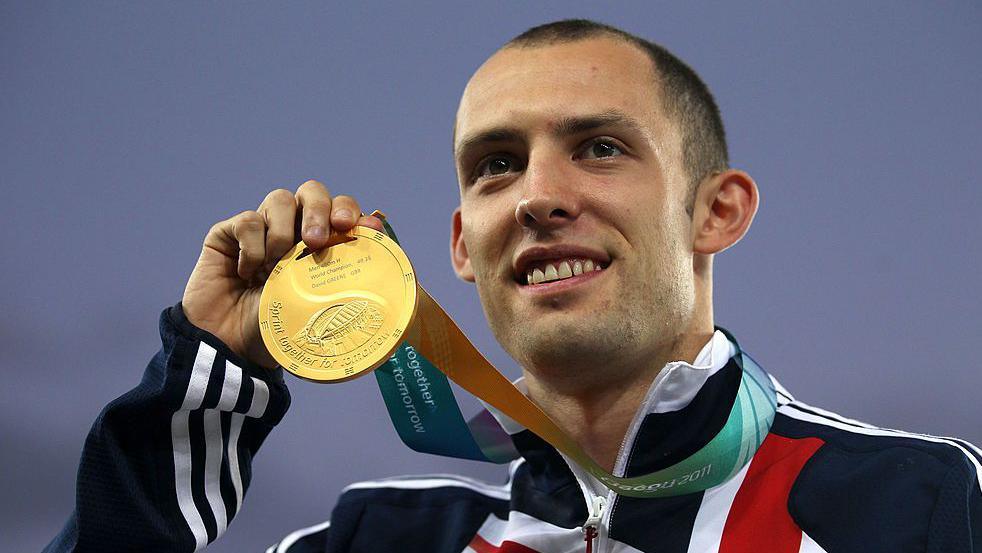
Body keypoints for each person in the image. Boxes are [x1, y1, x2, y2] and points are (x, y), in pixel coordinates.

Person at [46, 19, 980, 553]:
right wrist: (206, 381)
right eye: (496, 165)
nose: (536, 196)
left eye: (600, 147)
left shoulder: (917, 506)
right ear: (460, 244)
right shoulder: (376, 544)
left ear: (718, 212)